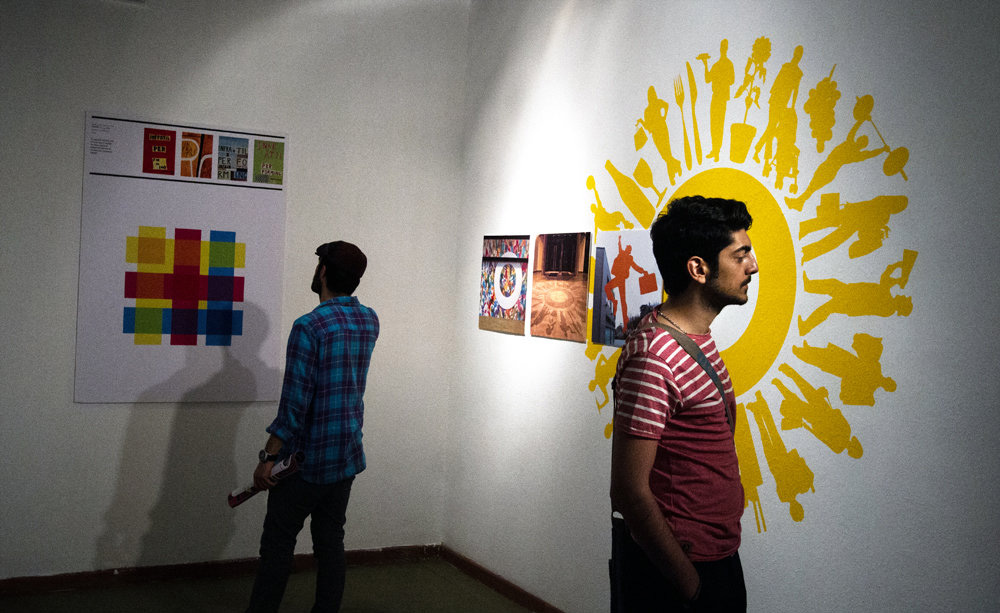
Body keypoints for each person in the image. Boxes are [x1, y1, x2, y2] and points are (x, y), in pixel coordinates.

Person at [609, 196, 758, 612]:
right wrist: (692, 588)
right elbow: (628, 490)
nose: (753, 266)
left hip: (715, 556)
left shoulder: (694, 337)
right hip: (681, 573)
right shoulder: (654, 356)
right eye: (740, 255)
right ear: (698, 269)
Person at [245, 241, 380, 613]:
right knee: (330, 543)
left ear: (322, 272)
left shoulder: (309, 326)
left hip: (305, 463)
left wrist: (268, 458)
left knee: (277, 546)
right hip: (346, 456)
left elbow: (294, 405)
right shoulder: (369, 320)